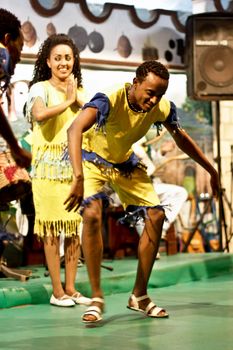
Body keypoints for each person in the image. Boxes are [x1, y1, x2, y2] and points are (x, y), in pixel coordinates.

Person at [64, 60, 219, 323]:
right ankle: (97, 297)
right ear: (135, 83)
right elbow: (74, 128)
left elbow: (181, 138)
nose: (154, 99)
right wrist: (78, 177)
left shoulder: (161, 107)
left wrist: (212, 170)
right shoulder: (109, 99)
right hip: (92, 160)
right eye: (150, 92)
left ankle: (139, 295)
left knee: (156, 215)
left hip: (124, 163)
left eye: (160, 94)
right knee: (91, 214)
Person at [26, 33, 91, 307]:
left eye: (68, 57)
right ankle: (57, 292)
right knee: (52, 228)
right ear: (48, 62)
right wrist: (68, 100)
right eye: (58, 58)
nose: (63, 62)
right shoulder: (39, 88)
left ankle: (72, 288)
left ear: (74, 61)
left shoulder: (83, 95)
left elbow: (93, 125)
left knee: (73, 228)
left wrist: (77, 100)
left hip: (74, 169)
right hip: (47, 171)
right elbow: (40, 115)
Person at [0, 8, 31, 169]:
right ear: (6, 40)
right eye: (20, 47)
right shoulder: (1, 54)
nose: (19, 56)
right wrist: (15, 147)